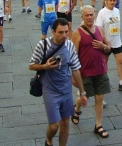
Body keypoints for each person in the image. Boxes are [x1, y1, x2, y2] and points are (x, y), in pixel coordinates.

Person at [29, 18, 87, 146]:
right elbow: (31, 65)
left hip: (65, 89)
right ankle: (49, 140)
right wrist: (45, 66)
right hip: (50, 89)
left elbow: (76, 69)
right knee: (54, 125)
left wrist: (82, 92)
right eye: (61, 32)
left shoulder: (69, 45)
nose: (64, 35)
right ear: (53, 32)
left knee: (65, 122)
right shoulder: (43, 45)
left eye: (66, 32)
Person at [71, 6, 112, 138]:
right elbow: (74, 55)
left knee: (100, 97)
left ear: (94, 15)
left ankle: (98, 125)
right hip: (85, 71)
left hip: (100, 69)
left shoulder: (100, 29)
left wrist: (103, 46)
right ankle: (76, 109)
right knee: (85, 97)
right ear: (82, 17)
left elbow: (109, 47)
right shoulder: (77, 33)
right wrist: (74, 75)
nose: (89, 17)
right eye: (86, 15)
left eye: (91, 15)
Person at [96, 0, 122, 92]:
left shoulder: (117, 11)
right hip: (106, 43)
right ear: (106, 1)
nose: (112, 2)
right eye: (110, 0)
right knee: (104, 63)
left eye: (114, 0)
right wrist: (105, 41)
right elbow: (99, 28)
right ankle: (103, 82)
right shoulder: (102, 13)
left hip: (117, 41)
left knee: (120, 61)